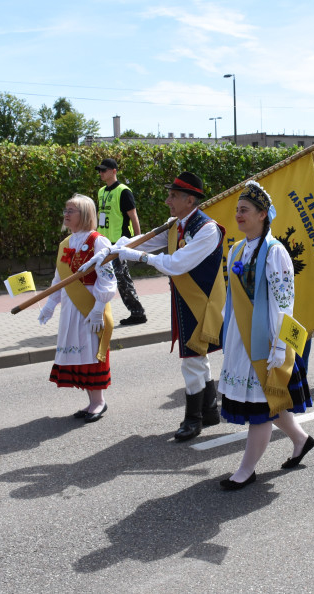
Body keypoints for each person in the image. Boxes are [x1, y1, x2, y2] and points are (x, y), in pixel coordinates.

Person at [99, 172, 225, 441]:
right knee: (197, 357)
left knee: (191, 360)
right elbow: (147, 240)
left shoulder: (207, 230)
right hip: (185, 301)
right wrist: (116, 246)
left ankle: (193, 419)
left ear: (190, 200)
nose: (167, 200)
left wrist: (136, 256)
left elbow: (175, 263)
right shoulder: (176, 223)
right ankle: (210, 410)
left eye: (173, 196)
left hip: (202, 304)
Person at [218, 181, 314, 490]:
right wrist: (225, 330)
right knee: (270, 401)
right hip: (240, 340)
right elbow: (232, 299)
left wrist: (279, 345)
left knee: (260, 408)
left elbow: (284, 304)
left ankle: (246, 470)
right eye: (237, 210)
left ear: (262, 214)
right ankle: (301, 439)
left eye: (244, 210)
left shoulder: (275, 252)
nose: (239, 215)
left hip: (266, 342)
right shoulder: (236, 249)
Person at [38, 194, 118, 423]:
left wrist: (98, 308)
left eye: (71, 210)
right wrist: (50, 305)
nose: (66, 214)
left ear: (84, 214)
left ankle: (99, 401)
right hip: (71, 308)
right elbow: (58, 280)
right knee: (79, 351)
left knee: (92, 351)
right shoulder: (65, 243)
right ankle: (91, 401)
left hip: (91, 304)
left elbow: (108, 279)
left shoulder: (98, 241)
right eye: (66, 210)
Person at [95, 158, 147, 325]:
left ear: (114, 171)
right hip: (104, 242)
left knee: (121, 277)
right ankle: (100, 312)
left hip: (120, 242)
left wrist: (137, 241)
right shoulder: (101, 191)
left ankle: (138, 313)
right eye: (100, 170)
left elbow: (133, 217)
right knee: (106, 277)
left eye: (104, 170)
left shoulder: (124, 191)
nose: (101, 173)